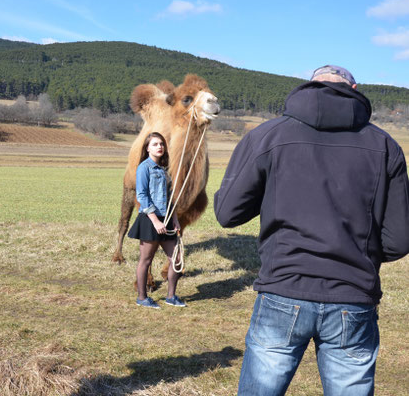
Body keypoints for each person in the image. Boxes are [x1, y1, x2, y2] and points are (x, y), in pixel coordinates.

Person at [214, 65, 409, 395]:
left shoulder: (268, 136)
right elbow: (399, 240)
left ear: (309, 85)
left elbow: (227, 213)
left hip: (283, 289)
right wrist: (359, 254)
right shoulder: (385, 146)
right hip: (353, 295)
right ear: (355, 88)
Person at [128, 132, 186, 309]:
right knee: (146, 260)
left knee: (176, 259)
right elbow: (142, 195)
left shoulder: (164, 170)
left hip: (167, 219)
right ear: (147, 148)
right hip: (150, 220)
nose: (159, 146)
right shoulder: (144, 168)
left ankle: (171, 296)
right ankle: (142, 298)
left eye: (161, 144)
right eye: (154, 144)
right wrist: (155, 221)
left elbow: (170, 198)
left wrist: (175, 219)